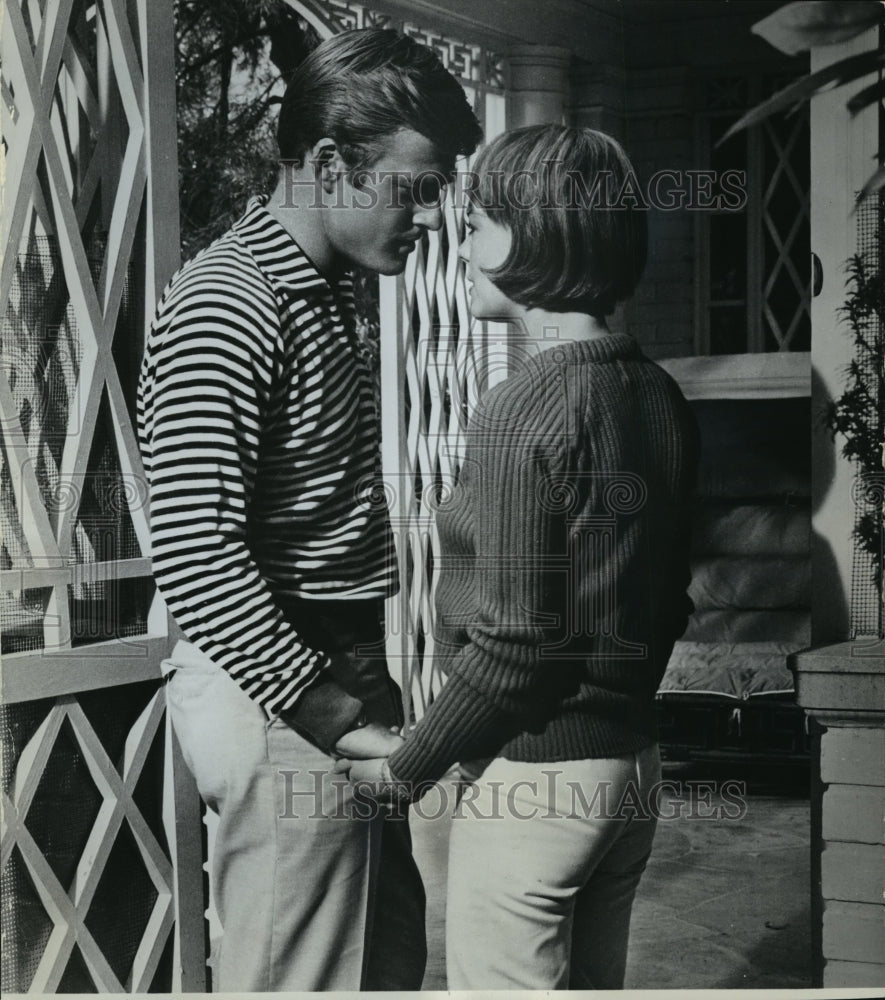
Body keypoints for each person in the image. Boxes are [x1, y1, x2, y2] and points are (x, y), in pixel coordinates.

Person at [137, 28, 481, 992]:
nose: (427, 220)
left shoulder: (323, 290)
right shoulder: (228, 299)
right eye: (412, 189)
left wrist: (361, 704)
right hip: (281, 692)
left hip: (335, 678)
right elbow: (199, 556)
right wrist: (338, 720)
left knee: (381, 970)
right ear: (331, 165)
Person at [337, 124, 699, 989]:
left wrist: (406, 769)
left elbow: (514, 641)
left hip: (537, 778)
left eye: (478, 222)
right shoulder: (656, 393)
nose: (458, 245)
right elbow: (669, 598)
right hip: (630, 769)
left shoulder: (523, 408)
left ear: (535, 233)